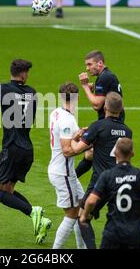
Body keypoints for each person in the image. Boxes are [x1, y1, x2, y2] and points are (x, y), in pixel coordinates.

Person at [0, 59, 51, 244]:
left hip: (11, 148)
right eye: (27, 72)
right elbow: (29, 120)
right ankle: (40, 220)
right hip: (27, 149)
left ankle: (33, 211)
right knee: (8, 190)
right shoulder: (32, 93)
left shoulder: (2, 90)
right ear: (23, 74)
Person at [70, 92, 131, 249]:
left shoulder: (97, 126)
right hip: (121, 181)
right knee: (117, 221)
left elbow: (76, 149)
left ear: (105, 107)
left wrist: (76, 137)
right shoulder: (127, 131)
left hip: (101, 182)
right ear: (121, 109)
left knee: (82, 216)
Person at [75, 50, 125, 181]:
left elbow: (97, 105)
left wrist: (85, 86)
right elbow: (97, 106)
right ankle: (71, 180)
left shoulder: (104, 77)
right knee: (90, 155)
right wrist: (92, 92)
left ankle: (70, 180)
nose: (87, 68)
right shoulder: (104, 77)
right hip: (112, 122)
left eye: (90, 64)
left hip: (110, 125)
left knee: (92, 155)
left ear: (100, 63)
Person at [48, 82, 86, 249]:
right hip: (62, 173)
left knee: (83, 207)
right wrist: (88, 144)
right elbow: (67, 151)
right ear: (76, 98)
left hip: (64, 171)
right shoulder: (67, 120)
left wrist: (77, 135)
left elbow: (66, 140)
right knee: (72, 214)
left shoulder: (56, 113)